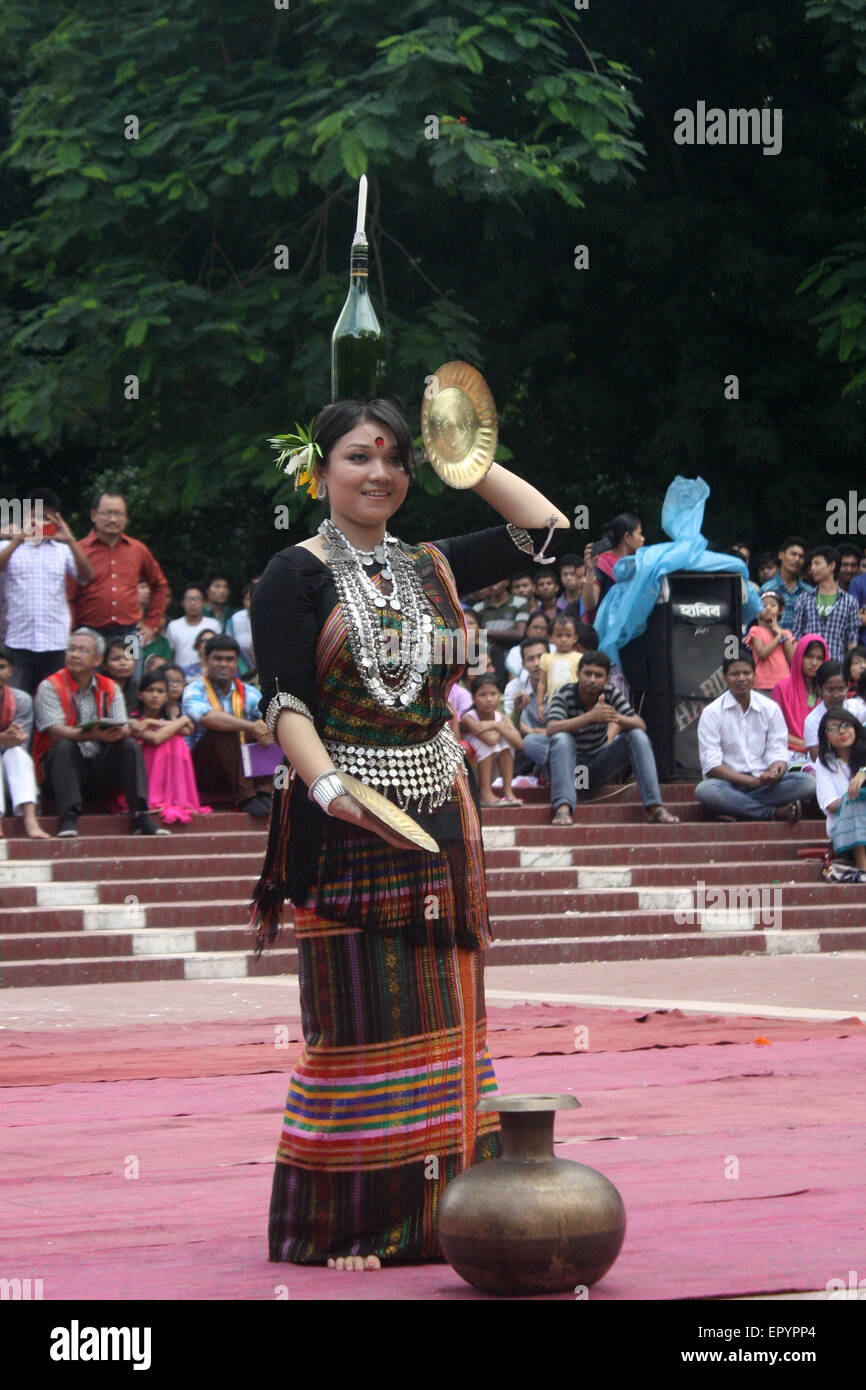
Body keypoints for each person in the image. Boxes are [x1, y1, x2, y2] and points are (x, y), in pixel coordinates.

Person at [248, 395, 572, 1269]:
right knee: (358, 1024)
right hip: (342, 813)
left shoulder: (431, 561)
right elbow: (282, 700)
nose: (379, 474)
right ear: (319, 470)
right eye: (359, 457)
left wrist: (459, 457)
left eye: (394, 460)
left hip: (439, 808)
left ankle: (453, 1217)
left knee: (448, 1019)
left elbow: (547, 533)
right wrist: (325, 787)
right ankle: (349, 1228)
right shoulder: (292, 573)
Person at [521, 649, 679, 828]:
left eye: (598, 675)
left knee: (636, 735)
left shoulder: (610, 693)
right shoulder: (564, 693)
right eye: (587, 674)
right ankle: (563, 807)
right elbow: (552, 728)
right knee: (548, 740)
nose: (592, 680)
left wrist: (615, 717)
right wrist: (590, 717)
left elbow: (640, 723)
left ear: (607, 679)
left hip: (594, 770)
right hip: (567, 766)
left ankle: (654, 807)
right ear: (578, 674)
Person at [32, 627, 167, 838]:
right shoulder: (49, 686)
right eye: (71, 649)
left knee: (129, 745)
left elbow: (122, 727)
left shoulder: (112, 687)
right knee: (64, 745)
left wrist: (123, 731)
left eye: (82, 650)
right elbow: (55, 731)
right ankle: (68, 816)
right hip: (60, 770)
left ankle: (140, 815)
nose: (75, 654)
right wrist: (93, 734)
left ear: (97, 660)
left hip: (98, 767)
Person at [695, 649, 816, 822]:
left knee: (808, 783)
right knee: (705, 791)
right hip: (729, 784)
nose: (741, 678)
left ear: (754, 675)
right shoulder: (712, 713)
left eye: (746, 673)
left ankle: (735, 809)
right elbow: (712, 766)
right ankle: (773, 813)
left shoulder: (770, 708)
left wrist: (776, 770)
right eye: (735, 674)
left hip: (765, 783)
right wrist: (750, 781)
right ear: (724, 678)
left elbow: (778, 750)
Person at [0, 488, 93, 695]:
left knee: (53, 703)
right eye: (36, 517)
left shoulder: (63, 550)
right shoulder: (9, 546)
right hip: (18, 642)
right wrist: (17, 539)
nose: (41, 523)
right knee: (16, 703)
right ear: (25, 516)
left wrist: (69, 539)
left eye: (47, 519)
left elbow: (86, 576)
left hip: (56, 642)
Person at [181, 634, 273, 816]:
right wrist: (249, 726)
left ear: (237, 662)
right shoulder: (193, 689)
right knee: (223, 729)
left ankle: (265, 792)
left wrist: (262, 727)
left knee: (270, 727)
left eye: (229, 659)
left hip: (241, 765)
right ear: (206, 660)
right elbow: (207, 718)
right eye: (217, 658)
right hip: (201, 768)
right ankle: (246, 797)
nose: (223, 664)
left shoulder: (250, 692)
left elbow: (267, 721)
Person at [72, 491, 168, 659]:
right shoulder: (79, 550)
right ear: (94, 515)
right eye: (108, 513)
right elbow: (68, 596)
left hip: (130, 632)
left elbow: (159, 585)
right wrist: (72, 632)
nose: (113, 519)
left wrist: (151, 624)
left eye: (118, 514)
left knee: (132, 680)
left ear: (126, 517)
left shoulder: (138, 550)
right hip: (90, 633)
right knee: (90, 681)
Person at [130, 669, 212, 825]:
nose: (155, 695)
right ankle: (157, 797)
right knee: (170, 738)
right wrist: (181, 721)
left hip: (162, 762)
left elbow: (188, 729)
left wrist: (152, 722)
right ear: (140, 694)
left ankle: (175, 797)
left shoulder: (165, 719)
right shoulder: (134, 720)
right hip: (141, 774)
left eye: (160, 691)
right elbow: (156, 738)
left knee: (175, 739)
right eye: (150, 690)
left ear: (166, 696)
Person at [0, 643, 48, 839]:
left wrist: (15, 738)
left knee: (18, 754)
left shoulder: (21, 700)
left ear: (10, 670)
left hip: (9, 757)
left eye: (2, 667)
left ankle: (30, 819)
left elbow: (21, 743)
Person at [815, 709, 866, 880]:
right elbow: (830, 804)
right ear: (826, 736)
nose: (842, 731)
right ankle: (863, 867)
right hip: (843, 828)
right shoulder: (824, 763)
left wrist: (863, 773)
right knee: (855, 801)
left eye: (846, 725)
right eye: (834, 728)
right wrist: (854, 796)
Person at [459, 673, 524, 805]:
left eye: (493, 694)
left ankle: (507, 791)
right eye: (483, 695)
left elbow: (519, 744)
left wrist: (495, 725)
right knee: (489, 742)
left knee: (507, 742)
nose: (489, 699)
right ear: (473, 698)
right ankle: (485, 793)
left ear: (499, 696)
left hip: (492, 771)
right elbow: (491, 740)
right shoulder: (469, 718)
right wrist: (501, 728)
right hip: (471, 772)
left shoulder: (501, 718)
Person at [791, 546, 859, 661]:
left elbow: (852, 642)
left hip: (836, 667)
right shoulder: (804, 599)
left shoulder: (849, 601)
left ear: (831, 566)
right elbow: (797, 637)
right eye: (812, 565)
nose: (812, 568)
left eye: (817, 564)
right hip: (809, 667)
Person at [773, 634, 828, 765]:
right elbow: (774, 730)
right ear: (799, 656)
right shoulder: (782, 687)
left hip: (824, 751)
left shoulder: (828, 690)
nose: (814, 663)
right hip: (789, 752)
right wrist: (807, 744)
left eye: (819, 658)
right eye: (809, 656)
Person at [582, 512, 644, 620]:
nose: (643, 539)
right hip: (602, 631)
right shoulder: (601, 563)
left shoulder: (638, 563)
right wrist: (590, 571)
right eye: (639, 534)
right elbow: (588, 605)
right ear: (627, 537)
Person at [472, 577, 528, 682]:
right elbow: (477, 635)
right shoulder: (477, 608)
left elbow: (519, 634)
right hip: (488, 655)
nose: (494, 583)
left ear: (507, 582)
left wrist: (488, 632)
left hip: (513, 653)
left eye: (499, 579)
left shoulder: (520, 602)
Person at [166, 585, 220, 682]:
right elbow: (171, 654)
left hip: (208, 676)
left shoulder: (213, 625)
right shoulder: (173, 626)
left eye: (196, 599)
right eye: (188, 599)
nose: (192, 603)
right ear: (182, 603)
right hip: (181, 678)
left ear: (204, 602)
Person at [759, 535, 812, 630]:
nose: (797, 559)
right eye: (793, 554)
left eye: (801, 556)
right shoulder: (767, 589)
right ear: (781, 555)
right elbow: (760, 623)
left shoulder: (809, 592)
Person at [535, 614, 581, 721]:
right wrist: (540, 705)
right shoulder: (546, 658)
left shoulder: (580, 658)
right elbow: (542, 683)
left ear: (575, 638)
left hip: (576, 703)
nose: (563, 639)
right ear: (550, 637)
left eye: (568, 635)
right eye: (559, 635)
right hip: (554, 704)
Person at [745, 591, 793, 693]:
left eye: (772, 605)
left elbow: (791, 658)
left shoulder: (786, 633)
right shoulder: (755, 630)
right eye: (763, 605)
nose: (768, 608)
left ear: (781, 610)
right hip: (763, 684)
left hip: (784, 683)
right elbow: (762, 653)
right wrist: (777, 638)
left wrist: (781, 634)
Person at [803, 662, 847, 759]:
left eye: (841, 689)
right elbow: (818, 760)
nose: (836, 695)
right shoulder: (812, 721)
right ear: (819, 689)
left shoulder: (856, 710)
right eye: (830, 690)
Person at [101, 636, 139, 723]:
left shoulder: (138, 689)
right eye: (116, 659)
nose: (123, 663)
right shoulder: (98, 689)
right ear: (104, 665)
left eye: (128, 658)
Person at [504, 610, 551, 678]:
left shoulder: (554, 648)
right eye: (535, 627)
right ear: (527, 630)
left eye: (543, 628)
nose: (539, 631)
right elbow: (513, 680)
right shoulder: (515, 651)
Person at [225, 579, 258, 675]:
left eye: (255, 598)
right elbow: (229, 648)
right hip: (241, 672)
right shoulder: (234, 620)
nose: (252, 603)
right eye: (248, 599)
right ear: (243, 601)